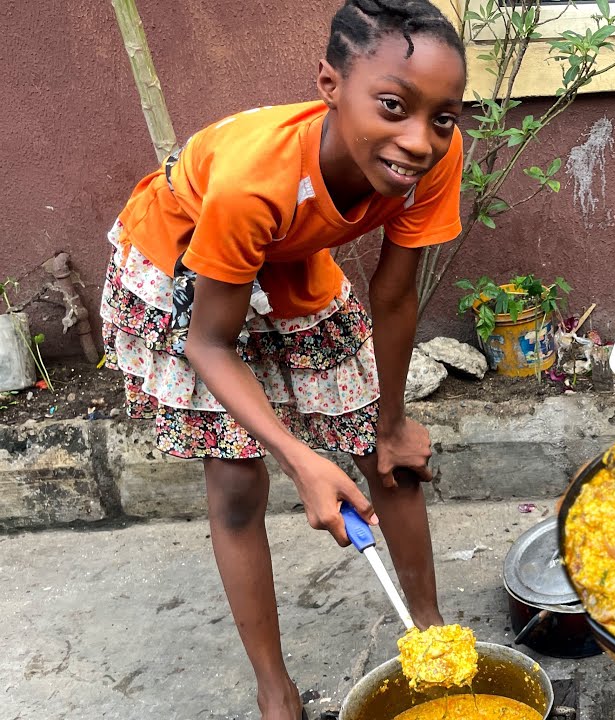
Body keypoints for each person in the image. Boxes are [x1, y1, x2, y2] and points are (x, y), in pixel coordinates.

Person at [99, 2, 465, 717]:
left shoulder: (435, 157)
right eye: (392, 106)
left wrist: (392, 420)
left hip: (289, 262)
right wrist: (300, 459)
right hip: (184, 259)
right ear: (330, 83)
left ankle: (434, 639)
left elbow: (393, 295)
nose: (419, 139)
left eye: (442, 117)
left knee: (383, 454)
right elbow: (210, 342)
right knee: (238, 481)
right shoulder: (253, 181)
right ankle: (275, 688)